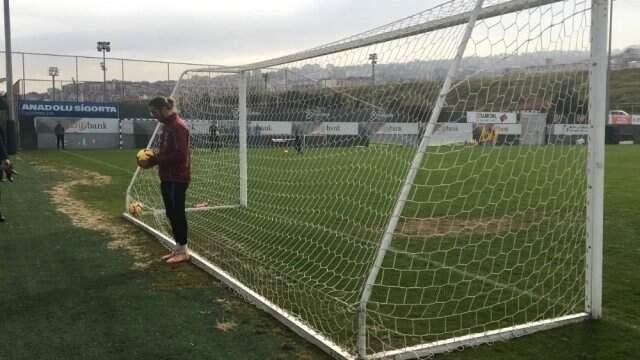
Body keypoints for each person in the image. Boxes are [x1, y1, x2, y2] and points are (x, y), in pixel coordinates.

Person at [147, 96, 192, 264]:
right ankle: (179, 248)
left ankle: (184, 250)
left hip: (178, 177)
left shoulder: (178, 126)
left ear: (165, 109)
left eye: (155, 112)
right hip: (167, 176)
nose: (154, 115)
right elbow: (167, 152)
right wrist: (154, 157)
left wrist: (157, 159)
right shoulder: (166, 127)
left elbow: (181, 155)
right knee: (171, 213)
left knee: (177, 213)